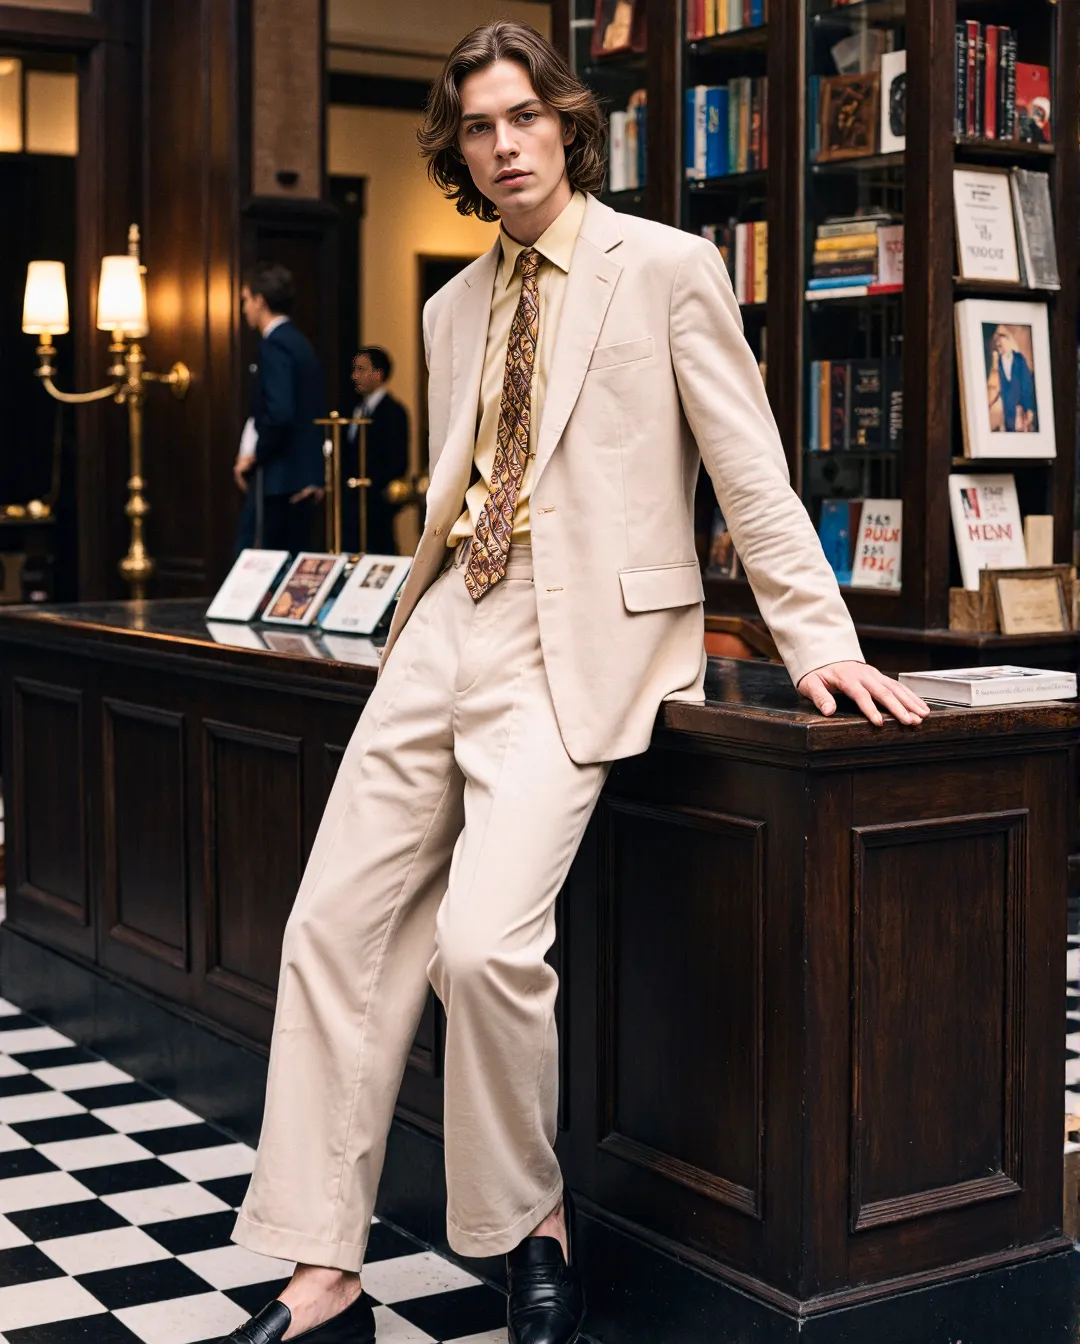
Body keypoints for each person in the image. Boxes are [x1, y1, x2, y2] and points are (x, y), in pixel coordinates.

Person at [224, 22, 930, 1344]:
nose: (504, 145)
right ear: (463, 151)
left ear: (565, 124)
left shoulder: (665, 267)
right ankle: (323, 1274)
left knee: (486, 944)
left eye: (523, 118)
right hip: (445, 627)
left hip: (583, 643)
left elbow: (750, 469)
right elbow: (462, 489)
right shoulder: (448, 307)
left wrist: (818, 637)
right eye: (480, 128)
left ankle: (526, 1225)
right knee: (329, 929)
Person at [233, 265, 326, 556]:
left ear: (260, 301)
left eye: (246, 300)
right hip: (302, 476)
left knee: (259, 566)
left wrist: (255, 457)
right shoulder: (300, 343)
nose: (244, 308)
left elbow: (280, 412)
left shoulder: (274, 344)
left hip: (279, 479)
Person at [343, 347, 409, 555]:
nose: (355, 376)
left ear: (378, 374)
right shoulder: (353, 409)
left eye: (361, 370)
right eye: (355, 370)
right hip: (351, 502)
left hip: (378, 504)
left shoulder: (394, 412)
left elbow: (398, 460)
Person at [988, 326, 1036, 434]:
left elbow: (1026, 384)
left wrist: (1028, 407)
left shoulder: (1019, 359)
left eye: (1002, 337)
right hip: (1005, 407)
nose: (998, 342)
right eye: (996, 339)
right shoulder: (997, 363)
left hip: (1018, 407)